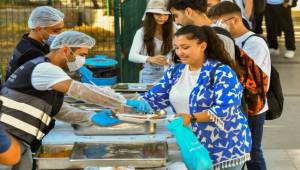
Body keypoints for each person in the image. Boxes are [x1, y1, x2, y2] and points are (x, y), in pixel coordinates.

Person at [0, 31, 145, 170]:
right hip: (7, 138)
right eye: (81, 55)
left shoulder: (46, 70)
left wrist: (89, 116)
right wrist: (123, 102)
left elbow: (59, 109)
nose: (82, 60)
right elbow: (81, 91)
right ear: (65, 50)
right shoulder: (44, 68)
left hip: (19, 139)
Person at [136, 25, 251, 170]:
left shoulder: (222, 72)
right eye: (176, 48)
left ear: (202, 46)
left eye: (185, 47)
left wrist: (190, 117)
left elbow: (225, 110)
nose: (179, 53)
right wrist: (122, 104)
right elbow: (152, 99)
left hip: (225, 148)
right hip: (192, 145)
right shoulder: (175, 71)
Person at [208, 2, 271, 170]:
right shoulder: (231, 39)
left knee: (253, 153)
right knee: (241, 153)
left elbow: (252, 76)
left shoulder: (254, 42)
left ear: (235, 19)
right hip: (237, 104)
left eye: (219, 23)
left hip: (253, 107)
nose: (216, 28)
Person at [5, 6, 65, 80]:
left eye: (62, 29)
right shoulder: (32, 53)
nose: (60, 34)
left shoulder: (26, 41)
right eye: (56, 31)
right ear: (39, 29)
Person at [167, 0, 236, 60]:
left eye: (176, 16)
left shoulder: (220, 37)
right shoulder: (191, 35)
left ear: (188, 12)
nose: (176, 21)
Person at [129, 0, 174, 83]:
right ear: (150, 15)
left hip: (171, 72)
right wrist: (150, 59)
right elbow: (132, 56)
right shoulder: (141, 32)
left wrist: (170, 61)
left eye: (166, 14)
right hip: (149, 74)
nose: (162, 17)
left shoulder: (175, 29)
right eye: (158, 14)